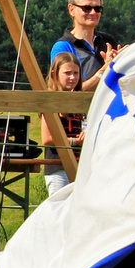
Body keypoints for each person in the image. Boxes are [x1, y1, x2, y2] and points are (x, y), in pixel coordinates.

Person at [50, 0, 121, 94]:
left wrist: (123, 62)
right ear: (71, 10)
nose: (93, 13)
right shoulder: (63, 47)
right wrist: (105, 70)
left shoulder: (108, 41)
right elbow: (68, 93)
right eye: (86, 8)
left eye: (97, 9)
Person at [43, 53, 86, 195]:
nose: (73, 77)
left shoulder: (77, 102)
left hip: (78, 168)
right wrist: (75, 141)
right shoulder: (50, 100)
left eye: (76, 73)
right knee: (58, 213)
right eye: (67, 73)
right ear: (55, 74)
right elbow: (47, 139)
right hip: (58, 168)